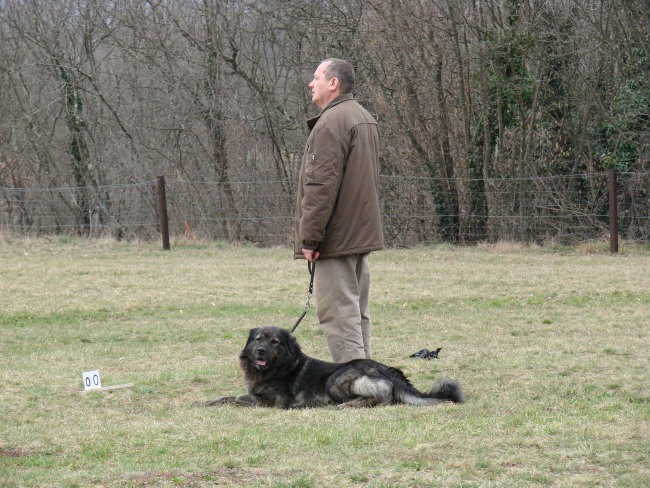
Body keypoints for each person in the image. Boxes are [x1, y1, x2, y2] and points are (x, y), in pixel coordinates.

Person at [294, 58, 384, 363]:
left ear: (333, 83)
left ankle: (356, 383)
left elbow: (320, 186)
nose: (311, 83)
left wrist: (310, 238)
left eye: (317, 77)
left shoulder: (331, 123)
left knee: (338, 312)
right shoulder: (363, 116)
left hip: (337, 236)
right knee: (357, 311)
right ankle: (368, 377)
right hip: (359, 234)